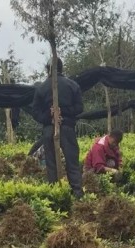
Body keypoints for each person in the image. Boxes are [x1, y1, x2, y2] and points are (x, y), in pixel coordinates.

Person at [31, 58, 84, 199]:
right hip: (67, 127)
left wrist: (50, 116)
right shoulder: (72, 85)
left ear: (48, 69)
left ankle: (54, 196)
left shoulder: (41, 88)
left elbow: (35, 112)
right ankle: (78, 194)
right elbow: (79, 107)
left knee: (51, 163)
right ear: (62, 68)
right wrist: (64, 113)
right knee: (72, 161)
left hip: (49, 129)